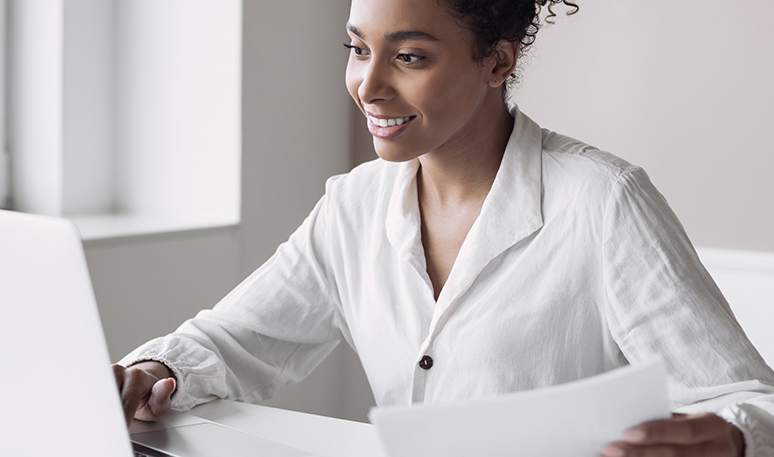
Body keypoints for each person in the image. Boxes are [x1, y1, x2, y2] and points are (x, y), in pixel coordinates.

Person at [112, 1, 774, 456]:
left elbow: (749, 398)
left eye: (409, 58)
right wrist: (153, 369)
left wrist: (732, 433)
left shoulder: (602, 201)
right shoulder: (356, 205)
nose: (368, 87)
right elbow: (235, 341)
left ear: (496, 62)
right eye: (357, 49)